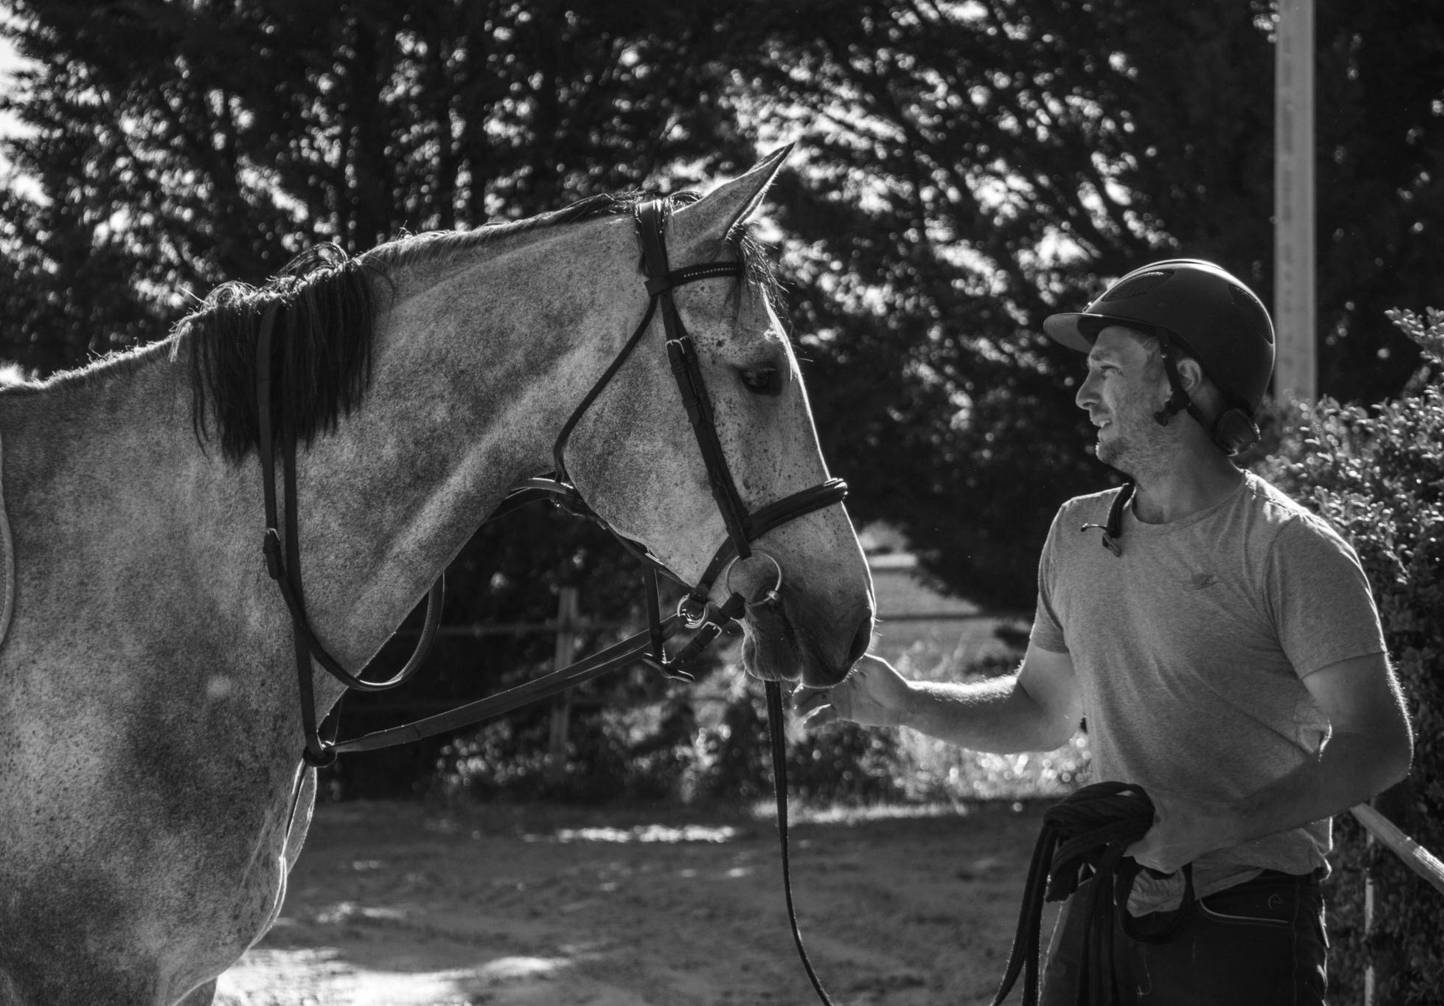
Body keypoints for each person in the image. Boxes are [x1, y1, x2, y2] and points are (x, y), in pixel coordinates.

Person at [796, 259, 1414, 1004]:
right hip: (1104, 900)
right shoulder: (1076, 530)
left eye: (1106, 370)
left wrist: (1218, 826)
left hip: (1245, 917)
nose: (1083, 394)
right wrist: (907, 706)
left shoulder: (1289, 549)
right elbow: (1043, 711)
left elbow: (1379, 744)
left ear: (1180, 378)